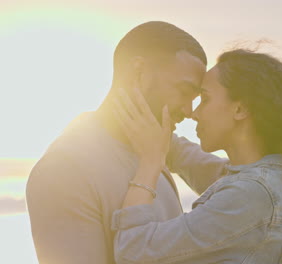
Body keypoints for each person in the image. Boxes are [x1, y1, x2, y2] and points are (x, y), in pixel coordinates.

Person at [111, 49, 282, 263]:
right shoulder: (260, 178)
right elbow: (188, 158)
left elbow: (134, 251)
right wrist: (146, 119)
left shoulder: (252, 194)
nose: (194, 112)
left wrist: (149, 163)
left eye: (204, 99)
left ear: (240, 109)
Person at [26, 21, 210, 264]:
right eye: (184, 91)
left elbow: (234, 177)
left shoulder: (154, 146)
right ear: (138, 72)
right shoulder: (64, 170)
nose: (188, 111)